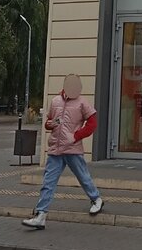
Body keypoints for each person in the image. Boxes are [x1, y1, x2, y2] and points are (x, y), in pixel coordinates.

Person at [22, 74, 103, 229]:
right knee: (48, 182)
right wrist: (50, 124)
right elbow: (48, 122)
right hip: (55, 149)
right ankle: (41, 215)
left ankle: (96, 199)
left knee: (83, 177)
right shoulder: (55, 101)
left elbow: (92, 124)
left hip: (72, 149)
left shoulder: (82, 103)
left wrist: (76, 136)